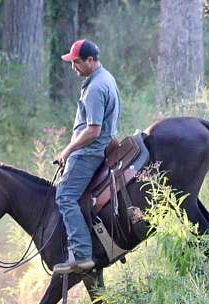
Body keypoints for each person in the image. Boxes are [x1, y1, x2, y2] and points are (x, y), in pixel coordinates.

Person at [53, 39, 121, 274]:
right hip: (101, 147)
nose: (74, 67)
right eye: (72, 62)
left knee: (64, 197)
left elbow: (93, 130)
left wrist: (67, 150)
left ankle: (82, 255)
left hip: (89, 153)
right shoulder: (106, 78)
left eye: (77, 62)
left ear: (91, 61)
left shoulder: (94, 88)